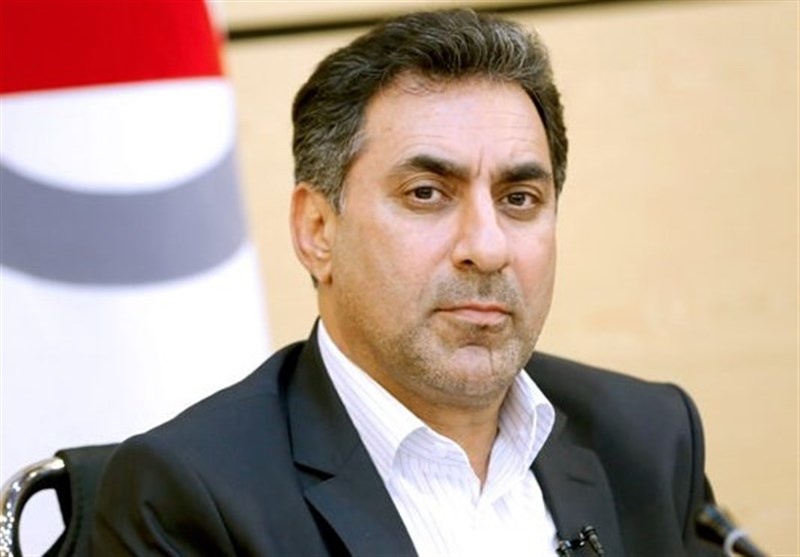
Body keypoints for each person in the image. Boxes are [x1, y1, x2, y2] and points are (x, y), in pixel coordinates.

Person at [92, 8, 721, 556]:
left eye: (519, 198)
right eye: (426, 194)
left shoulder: (649, 438)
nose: (487, 248)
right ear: (317, 230)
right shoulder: (192, 494)